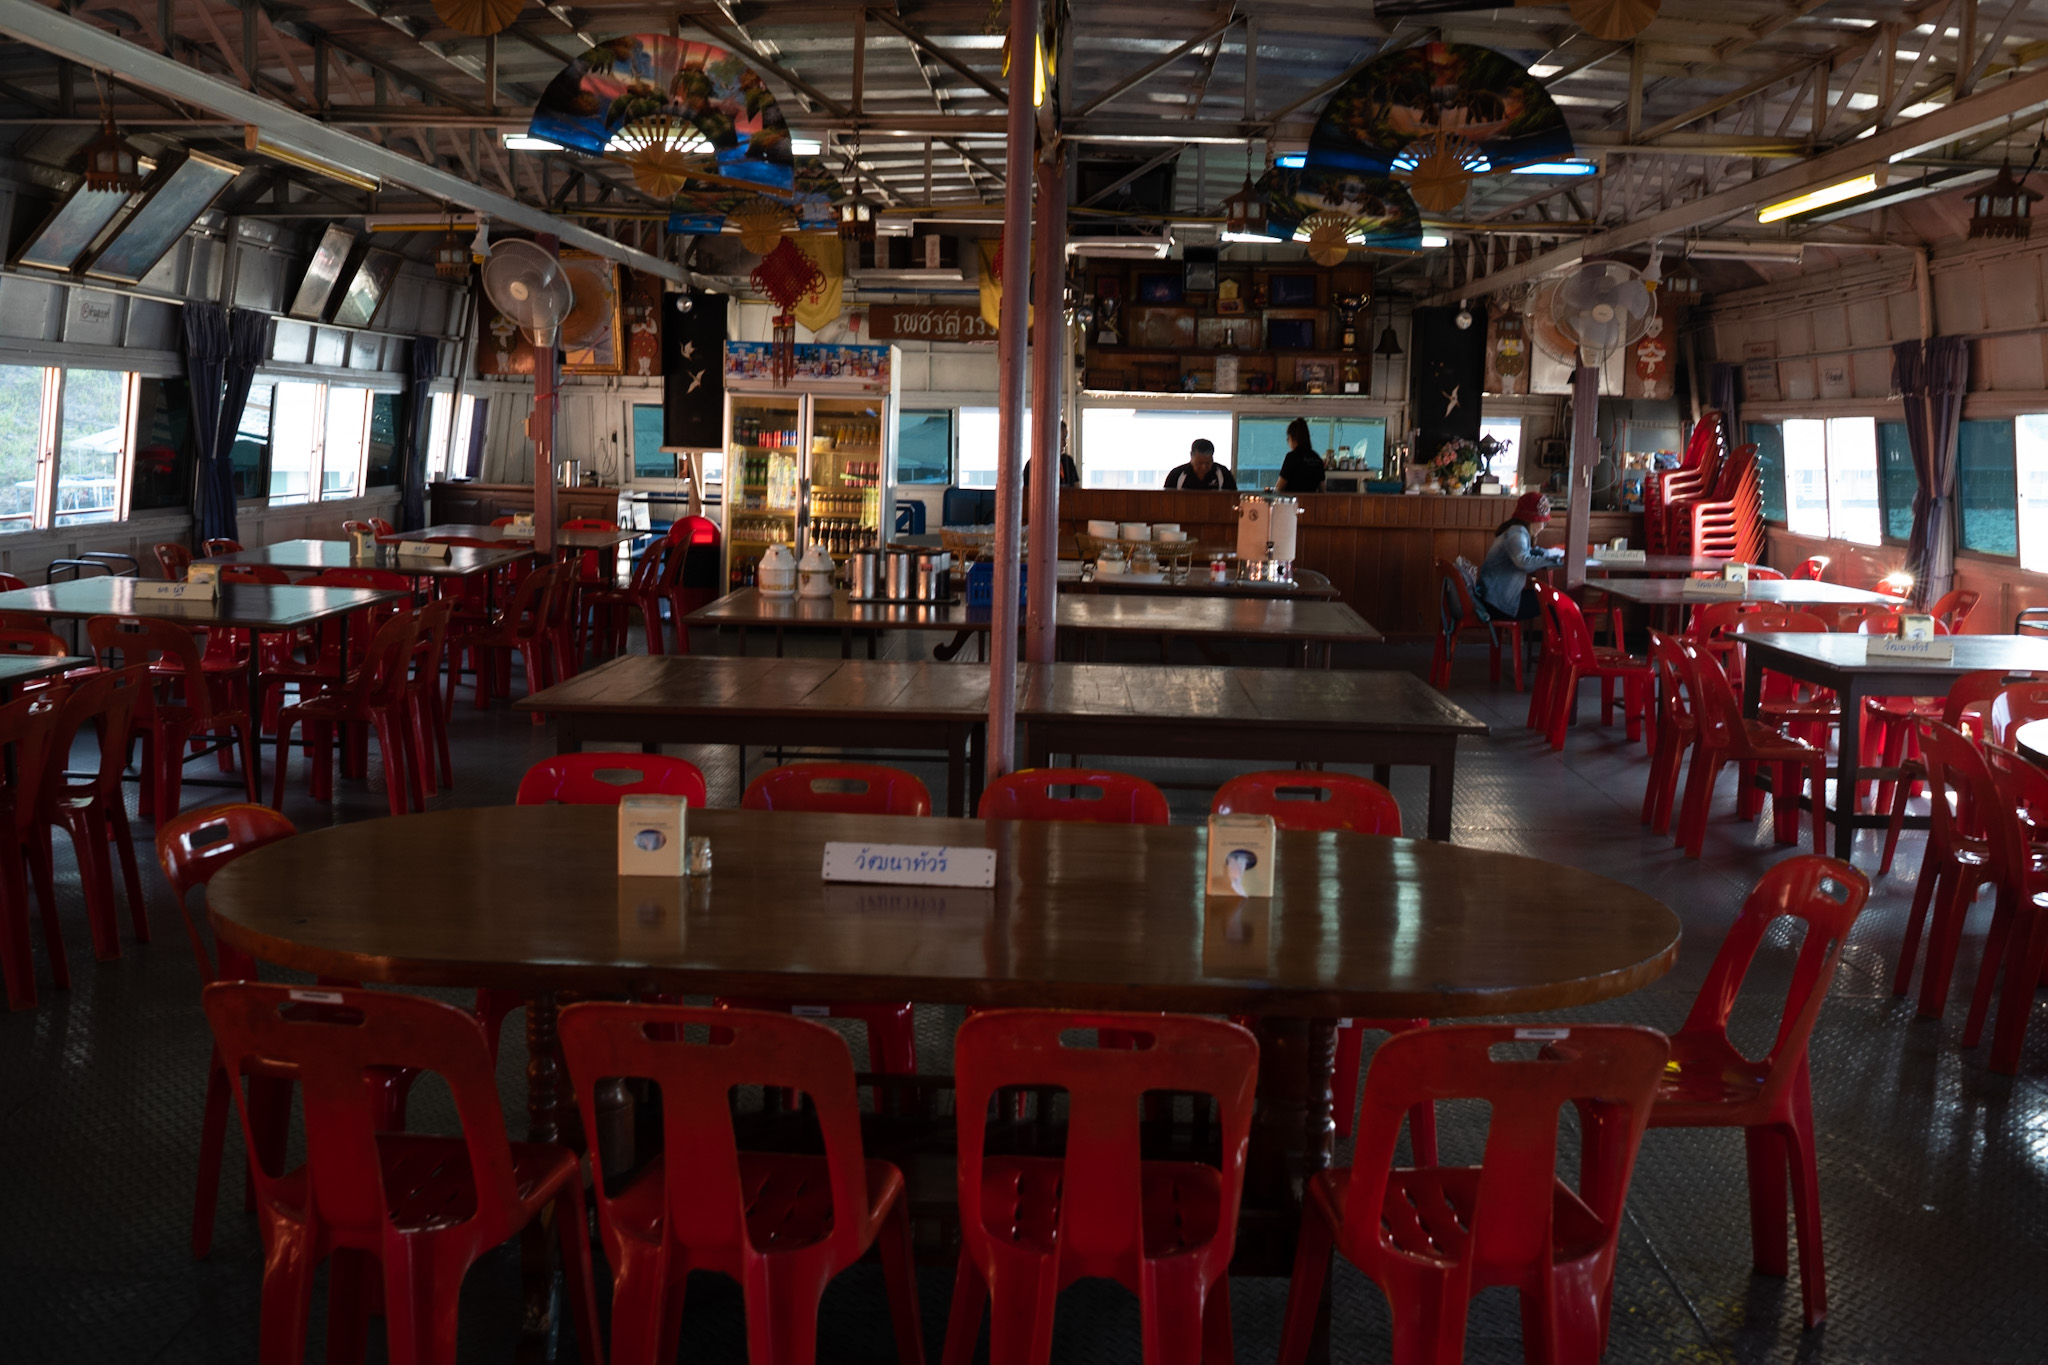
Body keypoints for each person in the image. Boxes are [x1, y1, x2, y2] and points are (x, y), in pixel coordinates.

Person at [1476, 490, 1565, 621]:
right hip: (1498, 603)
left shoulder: (1515, 530)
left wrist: (1547, 554)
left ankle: (1555, 635)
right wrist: (1552, 559)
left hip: (1493, 597)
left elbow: (1526, 553)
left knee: (1550, 597)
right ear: (1532, 520)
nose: (1543, 527)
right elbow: (1523, 562)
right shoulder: (1517, 533)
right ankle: (1559, 635)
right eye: (1543, 522)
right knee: (1554, 600)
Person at [1023, 418, 1080, 489]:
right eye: (1062, 439)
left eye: (1066, 439)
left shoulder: (1068, 462)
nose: (1065, 444)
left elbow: (1077, 490)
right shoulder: (1033, 464)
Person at [1274, 417, 1325, 493]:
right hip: (1311, 500)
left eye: (1288, 438)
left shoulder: (1291, 457)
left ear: (1293, 438)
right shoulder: (1316, 458)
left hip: (1292, 500)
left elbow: (1279, 487)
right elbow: (1322, 490)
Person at [1163, 439, 1237, 490]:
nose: (1204, 467)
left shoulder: (1224, 473)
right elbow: (1166, 499)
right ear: (1191, 455)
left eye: (1208, 463)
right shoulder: (1176, 474)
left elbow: (1233, 498)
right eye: (1199, 463)